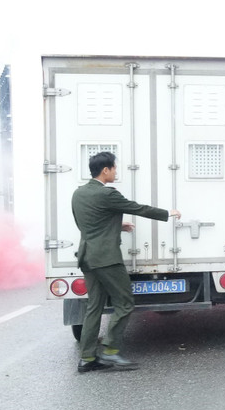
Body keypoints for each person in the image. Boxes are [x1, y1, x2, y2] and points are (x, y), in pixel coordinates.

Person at [71, 151, 180, 373]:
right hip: (106, 259)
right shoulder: (107, 194)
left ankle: (87, 358)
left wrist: (117, 226)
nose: (116, 172)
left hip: (87, 256)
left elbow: (87, 224)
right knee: (125, 302)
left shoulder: (79, 193)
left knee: (94, 307)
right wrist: (168, 213)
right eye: (114, 168)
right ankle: (111, 350)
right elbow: (137, 208)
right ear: (105, 170)